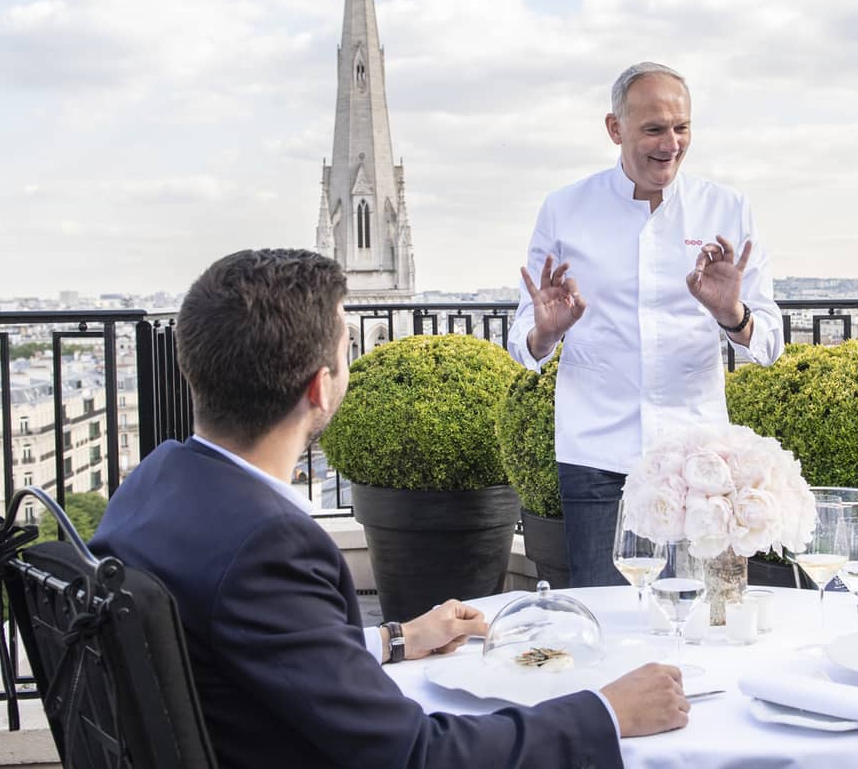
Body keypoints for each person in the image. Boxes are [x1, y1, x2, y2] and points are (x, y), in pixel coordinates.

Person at [91, 249, 688, 769]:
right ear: (320, 388)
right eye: (346, 349)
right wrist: (605, 712)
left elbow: (262, 651)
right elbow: (416, 755)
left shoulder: (155, 483)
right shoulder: (268, 545)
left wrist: (395, 640)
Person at [508, 62, 782, 587]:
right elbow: (524, 340)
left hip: (700, 460)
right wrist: (547, 330)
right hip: (596, 455)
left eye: (682, 128)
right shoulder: (564, 209)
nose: (671, 144)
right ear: (615, 129)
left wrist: (732, 314)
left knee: (701, 616)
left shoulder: (727, 209)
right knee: (608, 615)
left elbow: (769, 343)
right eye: (654, 129)